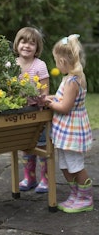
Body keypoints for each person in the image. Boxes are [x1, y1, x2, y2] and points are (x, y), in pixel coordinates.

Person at [45, 34, 93, 213]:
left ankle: (86, 198)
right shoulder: (68, 78)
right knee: (65, 165)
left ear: (64, 61)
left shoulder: (74, 81)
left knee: (75, 165)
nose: (56, 64)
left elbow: (65, 107)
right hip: (65, 130)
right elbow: (62, 98)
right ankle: (76, 195)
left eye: (56, 60)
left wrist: (49, 104)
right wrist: (51, 98)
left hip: (72, 129)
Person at [13, 27, 50, 193]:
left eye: (31, 43)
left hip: (37, 112)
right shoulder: (13, 64)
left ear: (37, 47)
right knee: (25, 145)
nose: (26, 46)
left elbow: (45, 91)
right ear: (17, 44)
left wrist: (40, 98)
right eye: (23, 41)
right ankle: (30, 177)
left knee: (41, 145)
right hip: (20, 112)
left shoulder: (39, 65)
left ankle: (45, 179)